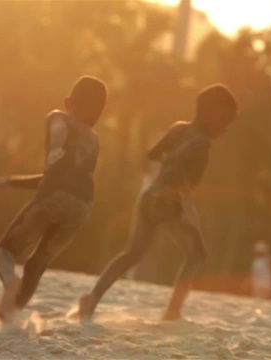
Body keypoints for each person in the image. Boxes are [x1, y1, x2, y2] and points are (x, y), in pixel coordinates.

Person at [78, 84, 238, 321]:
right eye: (225, 122)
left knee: (131, 253)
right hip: (168, 204)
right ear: (213, 115)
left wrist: (170, 161)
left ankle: (91, 299)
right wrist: (189, 212)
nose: (224, 129)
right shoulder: (203, 144)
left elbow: (153, 154)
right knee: (197, 254)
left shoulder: (179, 128)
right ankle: (173, 311)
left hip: (149, 196)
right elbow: (186, 184)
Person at [0, 76, 107, 322]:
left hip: (53, 197)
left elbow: (58, 135)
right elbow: (58, 178)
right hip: (83, 207)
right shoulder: (94, 140)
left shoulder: (58, 117)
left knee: (4, 252)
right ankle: (11, 314)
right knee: (37, 265)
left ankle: (11, 284)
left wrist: (55, 149)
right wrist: (11, 181)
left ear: (68, 101)